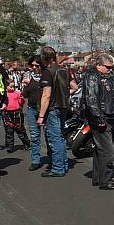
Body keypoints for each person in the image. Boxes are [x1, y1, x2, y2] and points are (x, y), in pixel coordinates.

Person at [83, 54, 114, 190]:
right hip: (101, 117)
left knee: (101, 149)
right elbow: (91, 98)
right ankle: (106, 180)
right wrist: (99, 117)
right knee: (108, 150)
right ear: (99, 65)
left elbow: (112, 95)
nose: (110, 70)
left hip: (109, 116)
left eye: (111, 67)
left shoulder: (106, 77)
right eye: (108, 67)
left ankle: (99, 178)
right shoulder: (92, 76)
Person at [37, 46, 77, 177]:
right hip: (64, 106)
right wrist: (65, 95)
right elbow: (74, 87)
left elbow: (46, 95)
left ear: (44, 58)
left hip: (53, 107)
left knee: (54, 138)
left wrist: (41, 116)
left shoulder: (48, 72)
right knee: (60, 137)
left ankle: (58, 168)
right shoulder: (65, 70)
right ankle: (62, 165)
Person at [22, 56, 44, 171]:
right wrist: (26, 85)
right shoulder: (29, 76)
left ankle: (53, 158)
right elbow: (25, 94)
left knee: (49, 136)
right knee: (34, 136)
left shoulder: (46, 75)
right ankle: (36, 160)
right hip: (31, 108)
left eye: (37, 65)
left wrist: (31, 83)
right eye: (32, 65)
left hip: (45, 109)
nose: (34, 68)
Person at [3, 79, 31, 152]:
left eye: (13, 87)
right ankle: (10, 146)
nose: (12, 88)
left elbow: (21, 103)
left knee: (20, 129)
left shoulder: (17, 93)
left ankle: (26, 143)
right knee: (9, 130)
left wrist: (21, 99)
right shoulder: (4, 94)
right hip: (7, 113)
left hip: (17, 112)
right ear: (6, 86)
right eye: (10, 87)